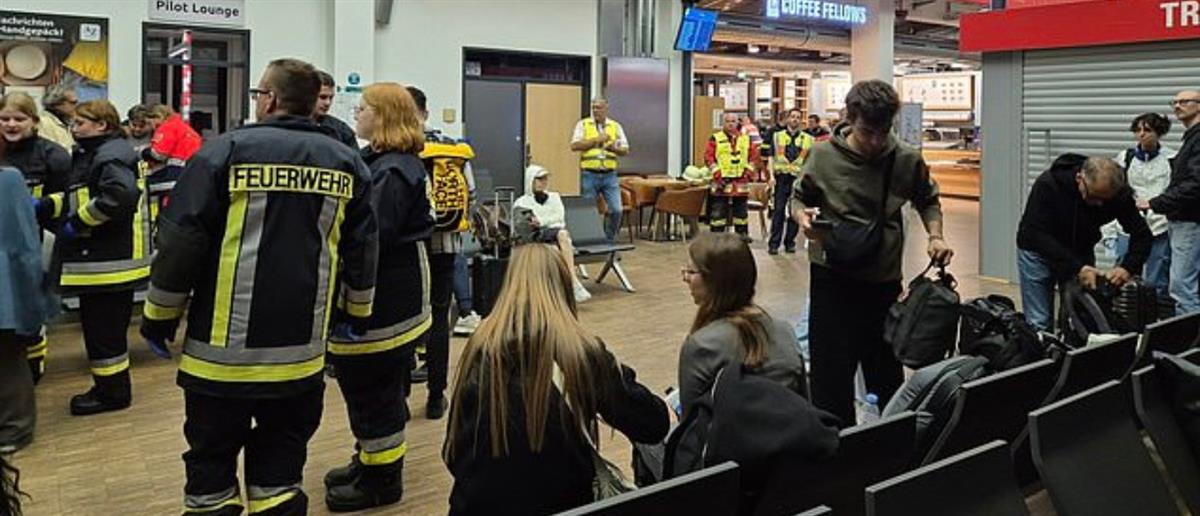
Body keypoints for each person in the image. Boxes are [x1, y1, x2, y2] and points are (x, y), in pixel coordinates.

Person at [139, 57, 378, 515]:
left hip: (220, 360)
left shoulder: (223, 152)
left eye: (258, 93)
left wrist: (159, 316)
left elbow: (181, 240)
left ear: (269, 99)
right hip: (300, 357)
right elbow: (363, 249)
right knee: (281, 470)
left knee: (210, 468)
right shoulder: (348, 163)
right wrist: (357, 314)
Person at [443, 242, 668, 516]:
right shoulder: (580, 353)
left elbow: (452, 452)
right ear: (563, 285)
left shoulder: (480, 346)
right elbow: (652, 424)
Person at [790, 80, 952, 426]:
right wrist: (802, 218)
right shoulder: (822, 157)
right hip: (831, 278)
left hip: (882, 281)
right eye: (867, 132)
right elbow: (799, 197)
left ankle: (886, 443)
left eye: (884, 131)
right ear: (849, 119)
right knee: (830, 378)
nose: (876, 141)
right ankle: (836, 448)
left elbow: (928, 199)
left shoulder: (905, 159)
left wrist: (935, 236)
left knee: (885, 374)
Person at [322, 82, 433, 512]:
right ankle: (368, 460)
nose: (356, 112)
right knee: (369, 389)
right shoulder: (385, 163)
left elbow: (371, 237)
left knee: (374, 392)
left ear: (383, 116)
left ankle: (383, 480)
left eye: (364, 107)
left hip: (386, 300)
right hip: (389, 292)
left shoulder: (393, 172)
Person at [34, 100, 148, 416]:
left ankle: (112, 394)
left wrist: (78, 223)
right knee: (104, 334)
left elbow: (119, 197)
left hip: (107, 264)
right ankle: (109, 388)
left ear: (101, 125)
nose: (74, 127)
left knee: (104, 336)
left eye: (81, 122)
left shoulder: (109, 155)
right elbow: (83, 195)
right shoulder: (101, 152)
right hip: (107, 261)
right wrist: (49, 206)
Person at [1018, 154, 1151, 332]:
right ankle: (1039, 345)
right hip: (1037, 251)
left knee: (1081, 316)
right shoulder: (1048, 185)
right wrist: (1078, 267)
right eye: (1093, 196)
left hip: (1080, 250)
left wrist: (1127, 268)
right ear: (1079, 179)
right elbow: (1035, 234)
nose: (1098, 204)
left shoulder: (1118, 194)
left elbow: (1142, 235)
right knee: (1039, 322)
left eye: (1105, 200)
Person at [406, 85, 476, 419]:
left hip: (408, 249)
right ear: (426, 113)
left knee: (405, 318)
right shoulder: (453, 147)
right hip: (445, 246)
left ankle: (401, 396)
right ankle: (436, 396)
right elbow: (471, 193)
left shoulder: (399, 147)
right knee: (439, 318)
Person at [678, 233, 807, 411]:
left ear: (716, 281)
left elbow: (692, 422)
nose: (684, 278)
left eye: (691, 272)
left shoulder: (701, 346)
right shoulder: (785, 331)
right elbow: (804, 403)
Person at [0, 92, 70, 385]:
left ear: (34, 121)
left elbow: (68, 199)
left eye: (19, 118)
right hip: (3, 243)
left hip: (40, 239)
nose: (11, 124)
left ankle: (32, 367)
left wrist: (42, 205)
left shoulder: (54, 155)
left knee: (31, 301)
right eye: (5, 118)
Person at [0, 162, 56, 453]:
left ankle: (15, 428)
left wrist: (32, 293)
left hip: (6, 287)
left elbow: (24, 244)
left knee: (8, 358)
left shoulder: (8, 180)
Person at [1108, 113, 1174, 304]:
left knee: (1157, 277)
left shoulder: (1171, 158)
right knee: (1122, 271)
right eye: (1137, 130)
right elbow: (1114, 190)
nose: (1142, 134)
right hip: (1129, 224)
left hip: (1159, 225)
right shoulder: (1125, 157)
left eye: (1147, 130)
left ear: (1159, 133)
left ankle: (1155, 314)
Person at [1145, 90, 1200, 315]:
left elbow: (1195, 183)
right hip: (1183, 220)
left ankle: (1190, 335)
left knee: (1182, 287)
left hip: (1190, 221)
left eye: (1184, 101)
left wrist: (1157, 203)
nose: (1177, 106)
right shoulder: (1191, 137)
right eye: (1174, 102)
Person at [514, 164, 592, 303]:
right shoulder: (522, 202)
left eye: (545, 178)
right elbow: (526, 225)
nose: (544, 182)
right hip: (536, 237)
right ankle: (572, 283)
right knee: (560, 241)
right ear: (531, 180)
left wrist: (541, 220)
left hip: (556, 234)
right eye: (540, 179)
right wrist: (546, 221)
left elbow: (559, 217)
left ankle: (572, 281)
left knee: (561, 237)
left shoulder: (554, 197)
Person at [570, 98, 629, 242]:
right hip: (589, 174)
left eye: (599, 108)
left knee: (616, 210)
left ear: (606, 108)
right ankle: (588, 241)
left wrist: (613, 148)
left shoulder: (615, 126)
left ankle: (608, 240)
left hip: (610, 175)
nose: (596, 111)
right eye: (594, 108)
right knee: (588, 211)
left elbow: (625, 150)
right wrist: (596, 140)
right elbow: (574, 146)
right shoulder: (583, 124)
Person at [142, 104, 203, 225]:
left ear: (158, 117)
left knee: (143, 188)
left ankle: (150, 223)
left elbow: (159, 154)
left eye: (149, 122)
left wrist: (145, 152)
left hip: (175, 175)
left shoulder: (167, 127)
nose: (150, 127)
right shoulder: (184, 127)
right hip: (192, 175)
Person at [766, 108, 813, 255]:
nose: (795, 119)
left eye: (798, 117)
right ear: (787, 119)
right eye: (792, 116)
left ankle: (790, 243)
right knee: (778, 211)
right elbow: (771, 157)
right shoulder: (777, 136)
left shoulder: (808, 139)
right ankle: (774, 244)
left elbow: (810, 161)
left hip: (798, 179)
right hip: (781, 178)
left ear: (801, 120)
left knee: (795, 212)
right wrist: (771, 176)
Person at [705, 112, 759, 239]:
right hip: (721, 182)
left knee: (741, 213)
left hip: (740, 182)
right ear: (723, 123)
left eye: (733, 121)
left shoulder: (746, 139)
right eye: (727, 121)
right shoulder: (715, 138)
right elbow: (708, 158)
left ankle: (742, 238)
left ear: (737, 123)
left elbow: (754, 157)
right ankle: (716, 239)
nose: (730, 124)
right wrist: (717, 173)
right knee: (718, 214)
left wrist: (748, 172)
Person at [315, 70, 360, 149]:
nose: (328, 103)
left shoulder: (341, 130)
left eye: (331, 98)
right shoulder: (294, 126)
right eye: (322, 97)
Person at [38, 85, 76, 152]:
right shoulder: (43, 122)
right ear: (57, 103)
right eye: (73, 103)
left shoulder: (65, 122)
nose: (76, 106)